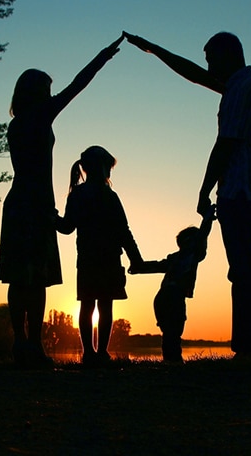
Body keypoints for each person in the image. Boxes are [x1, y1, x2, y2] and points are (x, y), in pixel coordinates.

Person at [124, 31, 251, 358]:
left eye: (212, 59)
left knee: (245, 272)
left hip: (241, 191)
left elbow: (225, 144)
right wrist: (154, 49)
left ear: (228, 56)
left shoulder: (239, 91)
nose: (209, 67)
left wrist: (204, 190)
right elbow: (196, 76)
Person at [0, 35, 124, 368]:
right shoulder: (39, 118)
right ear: (37, 93)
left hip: (19, 201)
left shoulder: (15, 125)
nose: (52, 96)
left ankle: (22, 344)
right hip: (35, 204)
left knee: (19, 277)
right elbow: (77, 86)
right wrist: (103, 57)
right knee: (35, 278)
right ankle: (32, 345)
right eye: (47, 90)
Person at [55, 146, 144, 366]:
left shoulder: (78, 194)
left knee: (87, 305)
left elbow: (67, 227)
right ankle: (101, 353)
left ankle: (89, 354)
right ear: (102, 167)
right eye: (109, 167)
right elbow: (124, 231)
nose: (111, 172)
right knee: (105, 306)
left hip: (87, 259)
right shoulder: (110, 196)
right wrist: (136, 258)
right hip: (109, 259)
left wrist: (51, 216)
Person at [128, 205, 216, 363]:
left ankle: (170, 360)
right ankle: (174, 361)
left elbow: (155, 265)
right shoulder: (193, 254)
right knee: (174, 331)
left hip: (161, 297)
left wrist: (139, 268)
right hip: (174, 297)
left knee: (168, 332)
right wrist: (207, 218)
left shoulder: (173, 258)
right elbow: (203, 235)